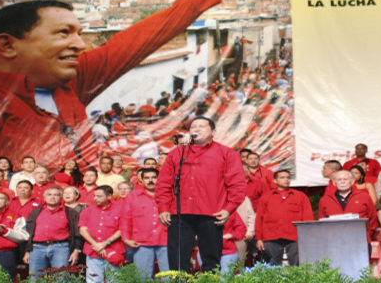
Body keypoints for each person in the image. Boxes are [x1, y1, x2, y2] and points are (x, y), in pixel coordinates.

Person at [0, 0, 249, 170]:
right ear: (7, 45)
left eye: (79, 33)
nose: (79, 45)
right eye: (63, 33)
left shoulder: (68, 81)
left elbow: (138, 39)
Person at [155, 116, 246, 272]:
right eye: (193, 127)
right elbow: (163, 183)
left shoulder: (227, 153)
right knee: (177, 262)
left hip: (212, 213)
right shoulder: (177, 153)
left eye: (202, 126)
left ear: (213, 131)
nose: (196, 129)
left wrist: (228, 208)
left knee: (211, 261)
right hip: (180, 213)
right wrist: (163, 207)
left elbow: (237, 185)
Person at [23, 186, 83, 280]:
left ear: (61, 197)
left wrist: (76, 251)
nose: (52, 197)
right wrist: (27, 250)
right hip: (37, 248)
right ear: (44, 197)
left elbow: (77, 233)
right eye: (49, 195)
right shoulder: (36, 212)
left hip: (61, 248)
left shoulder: (71, 213)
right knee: (35, 279)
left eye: (56, 195)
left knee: (62, 278)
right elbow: (29, 233)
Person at [255, 170, 313, 266]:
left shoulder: (300, 196)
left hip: (295, 236)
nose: (286, 180)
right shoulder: (266, 197)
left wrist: (307, 236)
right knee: (272, 266)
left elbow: (308, 218)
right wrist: (259, 238)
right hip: (271, 236)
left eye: (288, 177)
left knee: (298, 265)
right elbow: (259, 219)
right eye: (282, 177)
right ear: (275, 180)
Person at [120, 168, 168, 278]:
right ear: (141, 180)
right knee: (142, 278)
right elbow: (125, 219)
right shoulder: (132, 197)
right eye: (147, 178)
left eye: (154, 177)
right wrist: (126, 239)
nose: (150, 180)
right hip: (141, 243)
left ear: (159, 179)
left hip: (166, 241)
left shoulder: (169, 195)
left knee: (169, 278)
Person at [79, 185, 125, 283]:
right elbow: (82, 230)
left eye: (99, 196)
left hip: (114, 250)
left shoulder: (120, 210)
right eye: (95, 196)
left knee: (115, 280)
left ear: (109, 196)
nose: (95, 198)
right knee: (93, 280)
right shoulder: (88, 210)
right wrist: (95, 244)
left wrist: (104, 243)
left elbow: (122, 229)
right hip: (93, 251)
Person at [318, 170, 378, 243]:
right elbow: (322, 221)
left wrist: (367, 234)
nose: (342, 182)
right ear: (334, 183)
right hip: (334, 241)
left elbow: (372, 217)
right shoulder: (325, 200)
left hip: (360, 239)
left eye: (345, 179)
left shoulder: (364, 196)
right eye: (339, 179)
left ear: (352, 182)